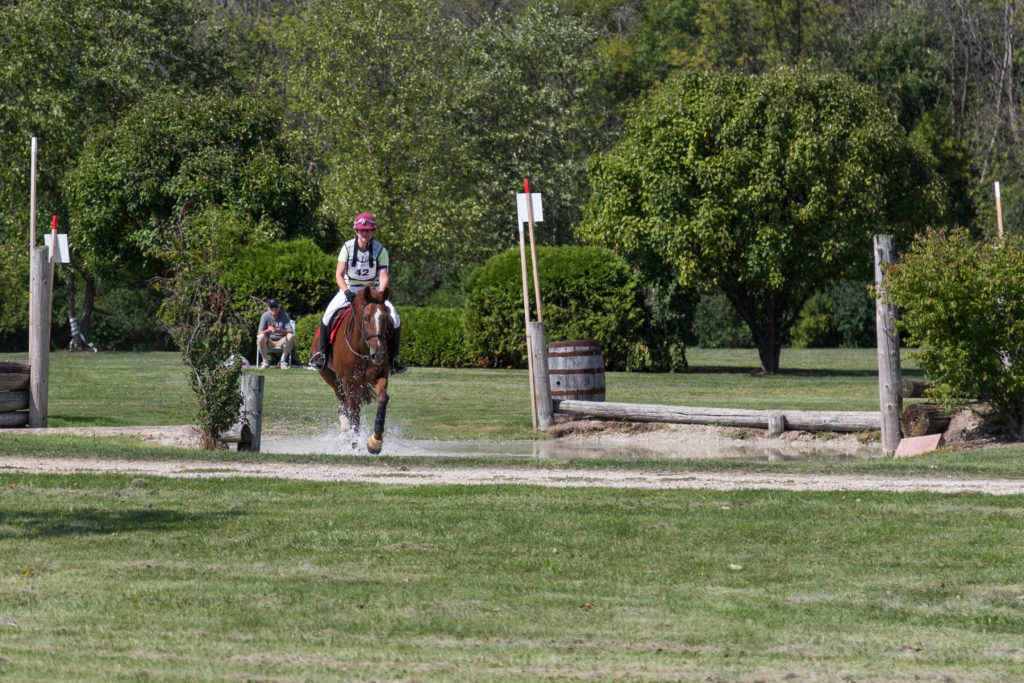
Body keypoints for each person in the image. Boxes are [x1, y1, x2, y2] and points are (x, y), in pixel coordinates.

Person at [310, 212, 406, 374]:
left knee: (395, 319)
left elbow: (383, 275)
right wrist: (346, 292)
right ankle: (323, 356)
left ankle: (393, 359)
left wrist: (381, 294)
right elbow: (339, 274)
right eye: (361, 230)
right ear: (356, 231)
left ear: (373, 231)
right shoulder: (346, 248)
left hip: (373, 289)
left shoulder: (380, 250)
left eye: (367, 230)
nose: (364, 233)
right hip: (350, 288)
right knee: (327, 316)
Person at [256, 298, 295, 369]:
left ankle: (282, 361)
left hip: (282, 340)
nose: (274, 309)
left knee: (290, 336)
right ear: (268, 308)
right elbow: (259, 332)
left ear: (279, 307)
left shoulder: (284, 315)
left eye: (276, 307)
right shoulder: (265, 316)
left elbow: (291, 331)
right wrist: (268, 330)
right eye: (271, 307)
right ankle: (265, 361)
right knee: (260, 337)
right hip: (269, 340)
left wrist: (280, 331)